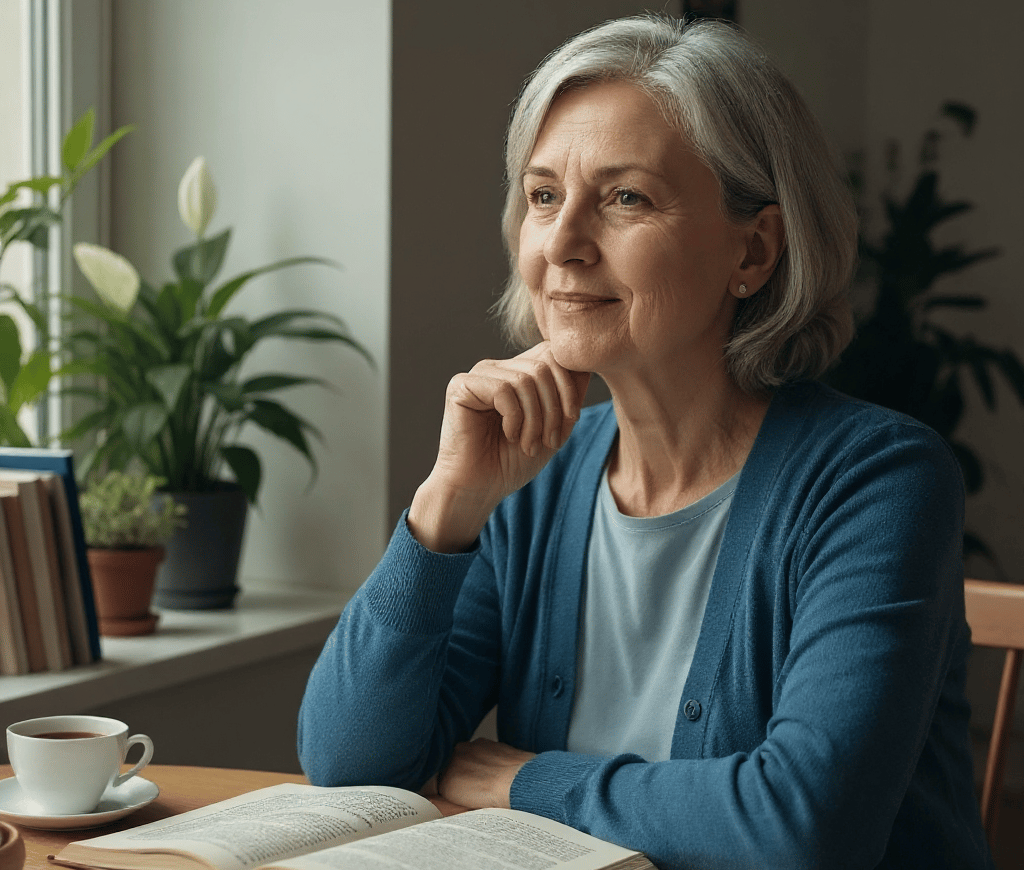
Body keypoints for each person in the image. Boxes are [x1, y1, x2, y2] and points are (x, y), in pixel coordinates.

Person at [298, 15, 993, 869]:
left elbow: (804, 827)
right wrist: (446, 506)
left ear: (756, 248)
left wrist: (525, 781)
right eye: (544, 196)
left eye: (625, 198)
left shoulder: (879, 482)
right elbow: (349, 765)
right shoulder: (531, 482)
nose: (561, 244)